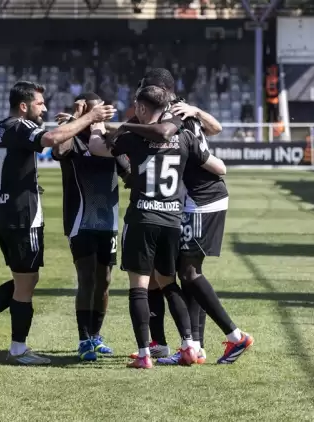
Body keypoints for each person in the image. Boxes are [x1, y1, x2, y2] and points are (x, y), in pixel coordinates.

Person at [0, 81, 116, 365]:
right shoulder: (21, 126)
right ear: (24, 106)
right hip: (23, 216)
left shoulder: (0, 129)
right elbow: (51, 140)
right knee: (25, 284)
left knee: (26, 279)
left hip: (2, 213)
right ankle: (17, 348)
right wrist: (89, 118)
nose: (44, 108)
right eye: (39, 103)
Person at [88, 85, 227, 369]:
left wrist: (96, 126)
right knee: (169, 283)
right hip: (173, 221)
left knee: (139, 287)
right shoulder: (185, 137)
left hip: (142, 218)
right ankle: (190, 345)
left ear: (140, 108)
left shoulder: (132, 137)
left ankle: (144, 354)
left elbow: (98, 147)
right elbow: (214, 163)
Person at [125, 69, 253, 366]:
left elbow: (194, 146)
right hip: (197, 199)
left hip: (201, 200)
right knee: (185, 271)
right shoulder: (184, 110)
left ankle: (234, 337)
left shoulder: (172, 115)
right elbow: (216, 129)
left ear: (158, 91)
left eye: (145, 89)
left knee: (189, 272)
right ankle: (195, 346)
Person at [52, 92, 131, 361]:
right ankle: (83, 339)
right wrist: (77, 120)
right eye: (96, 113)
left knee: (105, 281)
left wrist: (111, 137)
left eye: (103, 114)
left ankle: (96, 337)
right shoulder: (70, 137)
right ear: (84, 110)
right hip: (80, 220)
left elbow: (127, 172)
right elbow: (58, 151)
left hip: (108, 221)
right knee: (86, 279)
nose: (100, 119)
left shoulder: (107, 140)